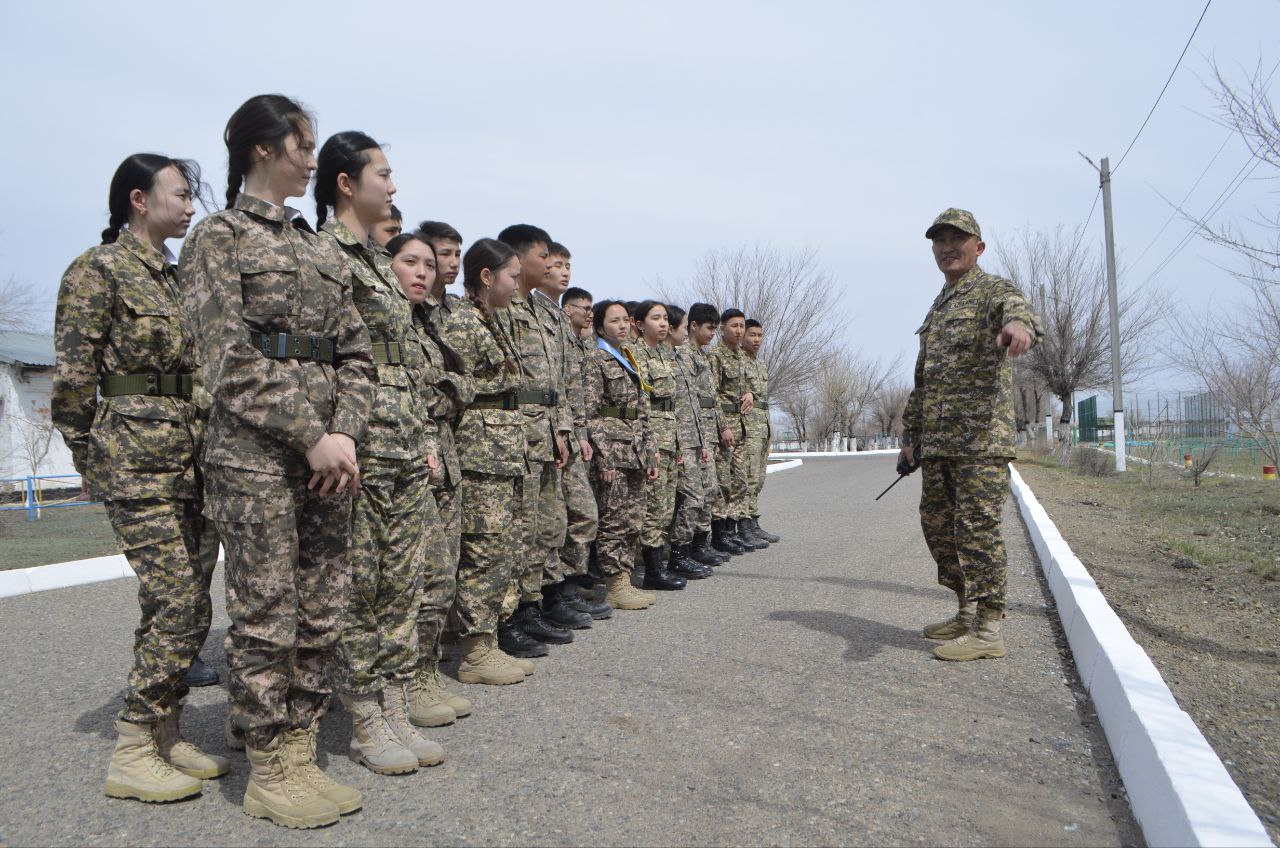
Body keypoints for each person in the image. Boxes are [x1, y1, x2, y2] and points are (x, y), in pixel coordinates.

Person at [179, 94, 375, 829]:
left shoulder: (320, 248)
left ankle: (298, 741)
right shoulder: (218, 237)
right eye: (303, 143)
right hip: (255, 455)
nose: (313, 157)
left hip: (330, 456)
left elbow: (356, 351)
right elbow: (224, 358)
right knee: (267, 611)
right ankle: (268, 762)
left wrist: (345, 435)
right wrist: (307, 432)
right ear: (264, 147)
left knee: (324, 603)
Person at [53, 153, 228, 805]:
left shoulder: (182, 279)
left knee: (189, 600)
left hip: (193, 457)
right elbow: (73, 378)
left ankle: (166, 730)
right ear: (137, 199)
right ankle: (131, 747)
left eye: (193, 197)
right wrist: (90, 455)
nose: (190, 207)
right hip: (135, 459)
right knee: (176, 598)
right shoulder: (99, 270)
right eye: (180, 195)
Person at [314, 131, 443, 774]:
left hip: (400, 447)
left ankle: (393, 700)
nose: (393, 187)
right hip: (357, 448)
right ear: (347, 182)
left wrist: (421, 441)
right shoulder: (325, 256)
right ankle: (364, 713)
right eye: (383, 175)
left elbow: (407, 368)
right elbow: (326, 363)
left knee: (400, 586)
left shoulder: (373, 261)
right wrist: (337, 437)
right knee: (360, 589)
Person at [900, 208, 1042, 662]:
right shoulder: (939, 305)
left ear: (978, 247)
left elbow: (1016, 311)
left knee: (978, 531)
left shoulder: (990, 291)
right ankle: (965, 611)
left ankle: (989, 628)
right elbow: (925, 379)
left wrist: (1019, 328)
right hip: (940, 443)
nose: (947, 247)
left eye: (956, 239)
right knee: (941, 531)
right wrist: (912, 435)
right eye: (939, 241)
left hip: (980, 441)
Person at [384, 232, 476, 726]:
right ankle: (401, 686)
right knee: (411, 582)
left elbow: (460, 385)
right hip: (402, 459)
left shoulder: (425, 324)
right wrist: (444, 393)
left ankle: (422, 675)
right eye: (410, 262)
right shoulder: (382, 321)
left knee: (439, 577)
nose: (423, 272)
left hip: (439, 455)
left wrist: (445, 391)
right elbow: (416, 390)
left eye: (427, 263)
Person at [439, 238, 532, 685]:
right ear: (487, 276)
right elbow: (452, 390)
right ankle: (475, 652)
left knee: (503, 549)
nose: (517, 285)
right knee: (482, 550)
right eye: (512, 277)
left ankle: (489, 641)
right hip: (479, 455)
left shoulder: (493, 321)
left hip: (502, 452)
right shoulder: (462, 322)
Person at [493, 224, 577, 658]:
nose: (549, 263)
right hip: (515, 435)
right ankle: (509, 618)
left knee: (545, 526)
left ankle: (532, 605)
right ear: (518, 256)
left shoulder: (544, 313)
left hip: (545, 432)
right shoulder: (502, 306)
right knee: (516, 532)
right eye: (543, 255)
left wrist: (562, 427)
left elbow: (558, 382)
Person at [536, 245, 610, 620]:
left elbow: (571, 388)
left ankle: (569, 585)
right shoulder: (534, 314)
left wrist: (576, 430)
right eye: (557, 264)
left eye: (568, 265)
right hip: (543, 433)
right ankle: (553, 596)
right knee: (556, 519)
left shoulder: (561, 326)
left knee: (579, 515)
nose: (563, 271)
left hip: (566, 431)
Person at [585, 300, 659, 609]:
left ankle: (624, 579)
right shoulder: (595, 359)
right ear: (601, 327)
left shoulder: (627, 358)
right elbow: (590, 413)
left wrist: (650, 452)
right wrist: (604, 457)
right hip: (613, 452)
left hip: (635, 451)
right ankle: (614, 584)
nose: (623, 326)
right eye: (614, 321)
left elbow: (642, 413)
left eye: (625, 320)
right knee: (614, 519)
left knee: (634, 518)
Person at [625, 301, 687, 591]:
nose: (663, 324)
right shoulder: (634, 354)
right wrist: (649, 447)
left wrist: (679, 443)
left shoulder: (665, 354)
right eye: (655, 318)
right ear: (639, 324)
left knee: (665, 506)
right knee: (653, 506)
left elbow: (672, 405)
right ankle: (651, 570)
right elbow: (641, 405)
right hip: (652, 439)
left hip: (669, 436)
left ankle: (656, 565)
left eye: (665, 319)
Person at [663, 304, 716, 578]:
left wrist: (703, 442)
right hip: (677, 441)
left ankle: (685, 551)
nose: (685, 332)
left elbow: (695, 405)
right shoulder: (667, 359)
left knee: (701, 494)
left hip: (693, 438)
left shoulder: (680, 358)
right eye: (683, 327)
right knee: (689, 498)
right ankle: (678, 554)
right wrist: (679, 444)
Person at [708, 309, 759, 554]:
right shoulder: (715, 356)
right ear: (722, 329)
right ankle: (719, 534)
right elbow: (712, 395)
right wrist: (723, 426)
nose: (739, 331)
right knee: (723, 481)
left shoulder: (741, 356)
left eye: (741, 326)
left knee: (739, 480)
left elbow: (748, 387)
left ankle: (732, 528)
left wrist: (750, 393)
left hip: (742, 426)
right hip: (725, 427)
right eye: (734, 326)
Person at [740, 319, 780, 544]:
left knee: (759, 477)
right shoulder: (739, 362)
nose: (756, 340)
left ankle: (753, 521)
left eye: (759, 335)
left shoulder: (759, 363)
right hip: (749, 426)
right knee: (749, 477)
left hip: (762, 425)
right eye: (752, 335)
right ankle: (743, 525)